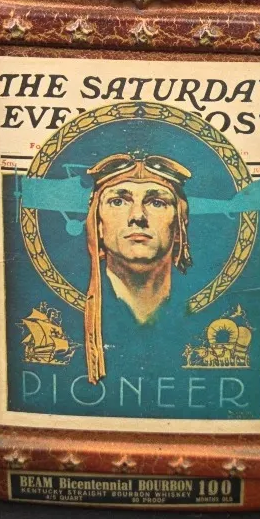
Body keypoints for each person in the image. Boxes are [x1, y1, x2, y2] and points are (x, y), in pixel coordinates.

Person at [84, 152, 192, 383]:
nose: (137, 216)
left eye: (157, 202)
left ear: (179, 228)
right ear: (98, 225)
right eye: (118, 201)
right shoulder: (66, 322)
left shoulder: (199, 316)